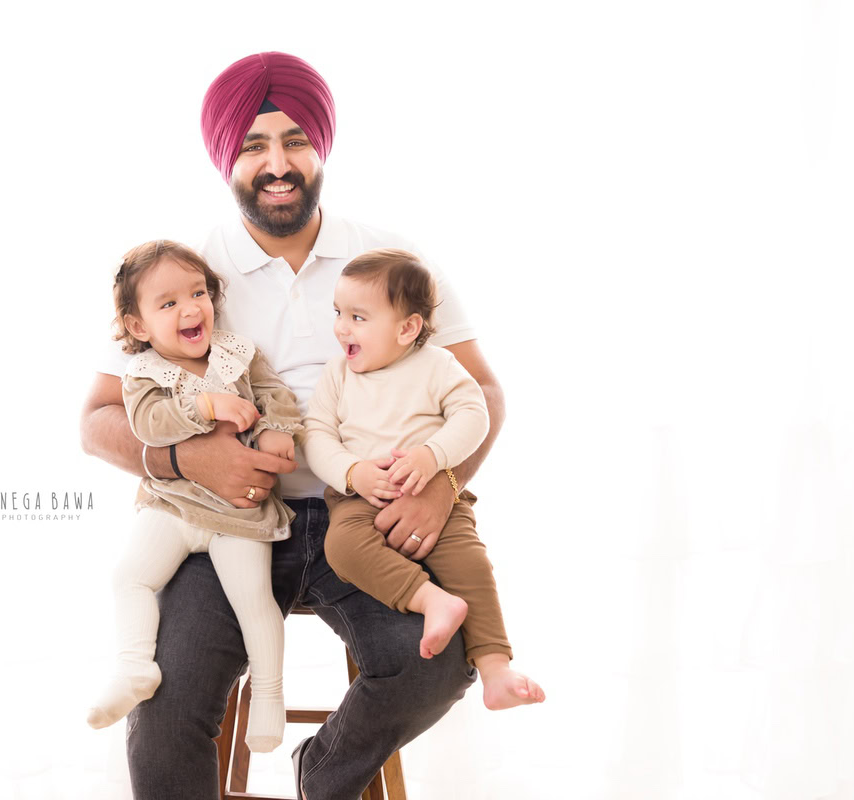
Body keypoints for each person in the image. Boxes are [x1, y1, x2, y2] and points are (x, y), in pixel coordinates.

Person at [80, 51, 532, 799]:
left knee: (436, 662)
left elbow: (481, 389)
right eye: (254, 146)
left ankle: (320, 777)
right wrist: (189, 460)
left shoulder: (390, 260)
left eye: (296, 141)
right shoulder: (185, 273)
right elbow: (97, 420)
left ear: (321, 148)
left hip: (368, 517)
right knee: (165, 701)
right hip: (223, 521)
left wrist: (442, 485)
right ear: (226, 160)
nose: (278, 164)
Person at [302, 248, 546, 710]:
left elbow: (474, 414)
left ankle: (496, 669)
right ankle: (430, 599)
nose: (341, 328)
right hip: (359, 501)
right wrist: (353, 472)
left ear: (407, 328)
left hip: (433, 495)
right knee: (343, 548)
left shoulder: (437, 365)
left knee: (470, 565)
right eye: (338, 313)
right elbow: (316, 436)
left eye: (357, 317)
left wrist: (432, 458)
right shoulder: (338, 374)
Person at [86, 240, 303, 754]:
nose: (190, 309)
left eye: (198, 293)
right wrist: (204, 406)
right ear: (138, 325)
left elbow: (275, 394)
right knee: (130, 577)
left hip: (237, 512)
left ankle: (269, 695)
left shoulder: (237, 353)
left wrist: (276, 429)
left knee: (254, 601)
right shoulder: (143, 373)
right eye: (168, 303)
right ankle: (134, 667)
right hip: (173, 506)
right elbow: (148, 425)